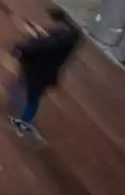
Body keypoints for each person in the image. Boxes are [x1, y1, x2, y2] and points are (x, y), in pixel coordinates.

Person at [7, 7, 80, 138]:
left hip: (36, 74)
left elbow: (26, 49)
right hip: (48, 74)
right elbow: (72, 33)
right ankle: (25, 120)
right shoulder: (69, 41)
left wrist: (19, 47)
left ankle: (24, 122)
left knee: (32, 96)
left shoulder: (43, 45)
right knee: (34, 97)